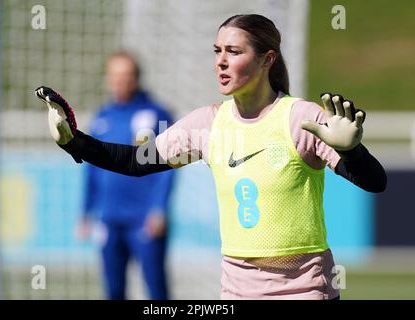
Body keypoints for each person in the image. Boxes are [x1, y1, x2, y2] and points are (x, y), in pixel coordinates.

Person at [35, 14, 386, 300]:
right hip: (235, 292)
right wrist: (74, 142)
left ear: (267, 59)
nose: (220, 60)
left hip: (304, 290)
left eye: (233, 51)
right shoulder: (209, 122)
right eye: (217, 50)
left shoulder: (299, 118)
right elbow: (135, 162)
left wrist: (350, 150)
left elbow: (374, 181)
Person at [75, 52, 174, 300]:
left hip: (144, 218)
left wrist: (159, 209)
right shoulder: (102, 116)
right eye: (115, 76)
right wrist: (85, 212)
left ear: (137, 78)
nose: (120, 81)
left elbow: (169, 167)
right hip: (109, 218)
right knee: (114, 290)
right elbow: (92, 168)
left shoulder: (157, 114)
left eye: (126, 75)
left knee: (156, 289)